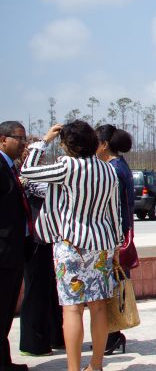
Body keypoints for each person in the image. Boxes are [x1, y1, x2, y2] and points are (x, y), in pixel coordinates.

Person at [21, 121, 121, 371]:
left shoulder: (67, 166)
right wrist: (116, 246)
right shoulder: (108, 170)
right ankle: (96, 365)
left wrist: (44, 141)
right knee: (99, 306)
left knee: (72, 309)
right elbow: (114, 212)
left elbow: (28, 171)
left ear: (68, 145)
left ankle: (74, 368)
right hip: (101, 245)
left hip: (71, 245)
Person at [17, 137, 65, 357]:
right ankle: (33, 343)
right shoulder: (27, 175)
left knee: (52, 291)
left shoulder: (35, 173)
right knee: (36, 291)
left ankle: (56, 337)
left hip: (46, 239)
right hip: (36, 241)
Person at [95, 125, 135, 355]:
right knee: (114, 285)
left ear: (104, 145)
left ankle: (112, 336)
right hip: (121, 234)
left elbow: (114, 208)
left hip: (115, 237)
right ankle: (113, 335)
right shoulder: (120, 166)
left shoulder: (113, 170)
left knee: (110, 288)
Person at [0, 121, 31, 371]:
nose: (23, 143)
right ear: (3, 139)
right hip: (3, 252)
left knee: (6, 311)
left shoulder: (11, 167)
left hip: (14, 252)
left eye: (24, 138)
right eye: (18, 138)